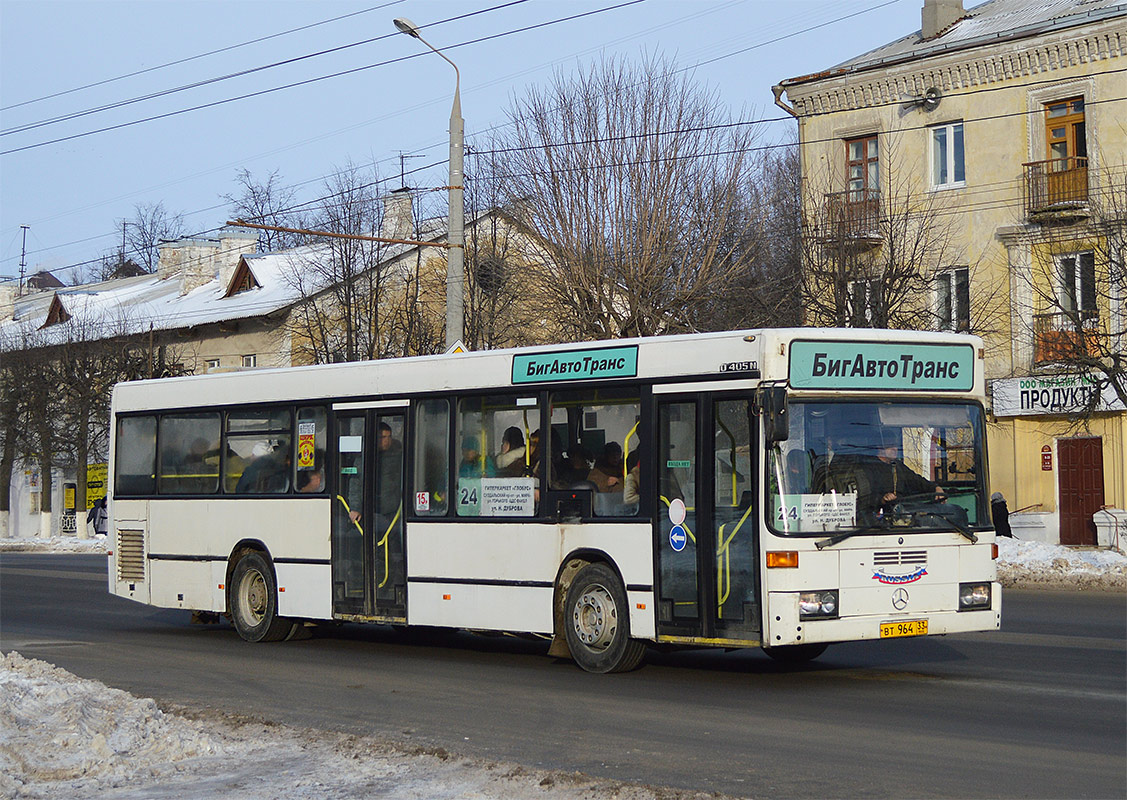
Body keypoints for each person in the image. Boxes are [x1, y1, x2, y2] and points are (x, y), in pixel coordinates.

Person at [859, 442, 944, 516]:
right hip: (876, 519)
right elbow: (864, 496)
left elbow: (916, 481)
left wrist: (936, 488)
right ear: (879, 447)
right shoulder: (869, 467)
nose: (895, 449)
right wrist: (882, 499)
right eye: (890, 446)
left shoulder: (898, 466)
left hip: (901, 514)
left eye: (896, 446)